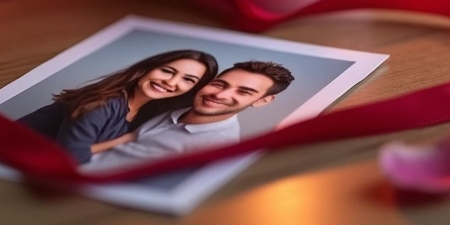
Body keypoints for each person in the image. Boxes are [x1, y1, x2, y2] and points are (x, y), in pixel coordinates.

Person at [84, 60, 295, 172]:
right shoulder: (176, 106)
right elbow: (132, 138)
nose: (219, 94)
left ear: (262, 100)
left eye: (243, 92)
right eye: (219, 84)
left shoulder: (212, 147)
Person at [15, 49, 218, 164]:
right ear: (145, 69)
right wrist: (127, 139)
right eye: (167, 71)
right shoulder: (102, 104)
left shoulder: (148, 111)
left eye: (188, 80)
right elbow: (71, 158)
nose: (172, 83)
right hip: (7, 158)